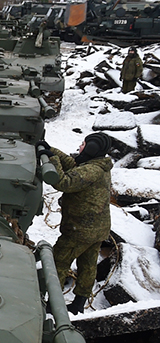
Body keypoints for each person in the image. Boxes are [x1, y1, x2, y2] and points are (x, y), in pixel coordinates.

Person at [38, 133, 114, 314]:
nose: (80, 147)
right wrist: (51, 150)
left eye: (83, 144)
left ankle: (51, 303)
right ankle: (79, 304)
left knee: (58, 262)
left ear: (91, 149)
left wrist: (52, 159)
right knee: (87, 265)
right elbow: (74, 165)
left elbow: (64, 182)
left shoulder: (92, 171)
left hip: (80, 230)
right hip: (97, 229)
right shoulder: (96, 165)